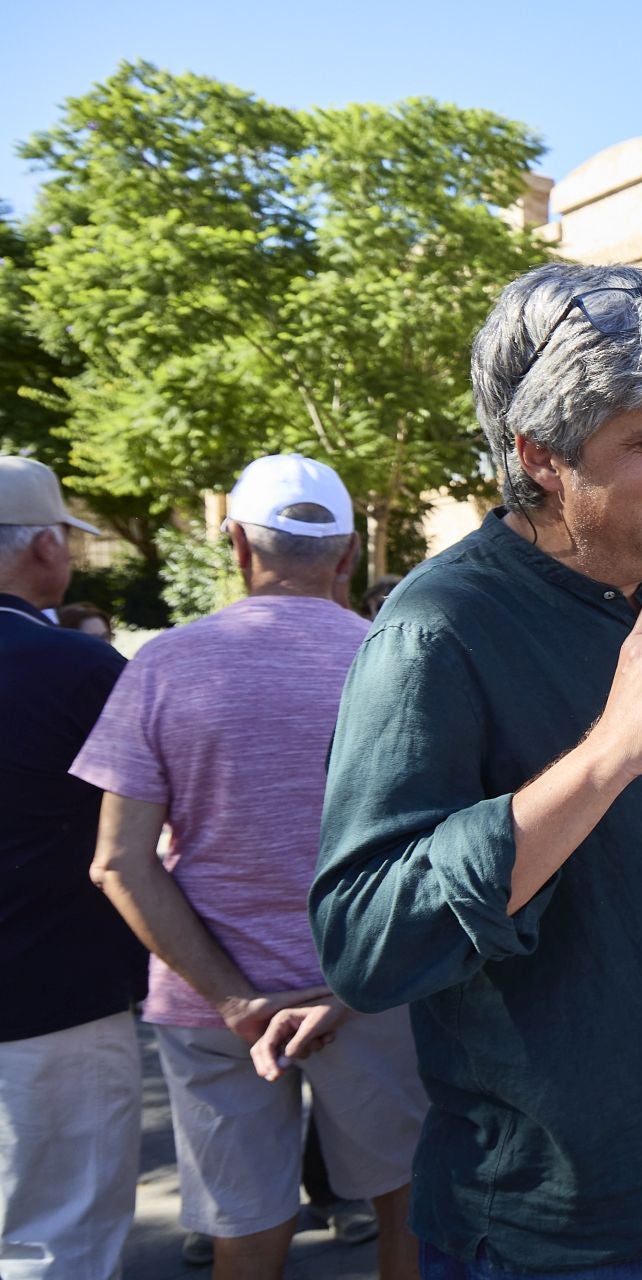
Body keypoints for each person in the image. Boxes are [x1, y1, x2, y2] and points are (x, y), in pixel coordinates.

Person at [311, 264, 642, 1277]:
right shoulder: (438, 630)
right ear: (540, 456)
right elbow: (366, 939)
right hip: (586, 1236)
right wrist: (605, 756)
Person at [70, 455, 422, 1280]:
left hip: (215, 1008)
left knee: (246, 1235)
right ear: (347, 556)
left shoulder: (165, 664)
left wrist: (236, 1001)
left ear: (235, 546)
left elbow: (118, 862)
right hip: (373, 991)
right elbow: (433, 849)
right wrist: (348, 986)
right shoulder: (399, 660)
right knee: (409, 1209)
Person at [0, 457, 146, 1280]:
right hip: (55, 1003)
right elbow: (146, 836)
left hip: (50, 997)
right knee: (58, 1245)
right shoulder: (79, 669)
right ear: (47, 547)